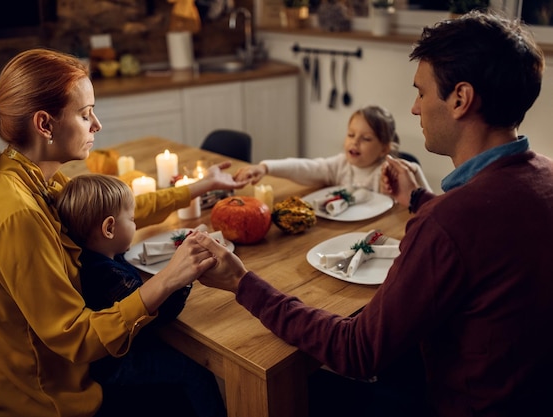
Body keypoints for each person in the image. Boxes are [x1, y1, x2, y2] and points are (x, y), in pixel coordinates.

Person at [194, 10, 553, 417]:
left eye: (421, 91)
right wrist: (418, 199)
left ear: (460, 99)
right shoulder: (543, 177)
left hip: (458, 402)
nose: (415, 108)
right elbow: (485, 234)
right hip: (530, 392)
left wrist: (243, 283)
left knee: (298, 381)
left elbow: (357, 351)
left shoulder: (449, 223)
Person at [0, 48, 245, 417]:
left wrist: (197, 187)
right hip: (37, 402)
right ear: (45, 125)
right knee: (191, 378)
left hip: (49, 381)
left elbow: (107, 215)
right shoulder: (17, 214)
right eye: (84, 113)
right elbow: (76, 338)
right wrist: (169, 279)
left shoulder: (30, 178)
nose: (97, 125)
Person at [55, 174, 226, 417]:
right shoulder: (107, 275)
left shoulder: (94, 257)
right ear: (109, 228)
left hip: (114, 356)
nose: (136, 225)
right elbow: (161, 314)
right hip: (118, 365)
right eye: (133, 219)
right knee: (194, 369)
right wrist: (184, 278)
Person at [233, 105, 432, 193]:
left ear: (383, 149)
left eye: (366, 139)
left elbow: (419, 201)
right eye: (351, 135)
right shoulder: (340, 165)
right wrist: (266, 168)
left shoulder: (386, 173)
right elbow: (307, 168)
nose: (354, 143)